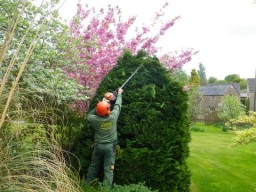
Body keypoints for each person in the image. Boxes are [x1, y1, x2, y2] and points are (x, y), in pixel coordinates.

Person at [86, 88, 123, 187]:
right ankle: (105, 189)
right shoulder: (113, 117)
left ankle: (87, 185)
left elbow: (89, 115)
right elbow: (118, 106)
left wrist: (100, 105)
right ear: (108, 110)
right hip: (110, 148)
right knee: (109, 170)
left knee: (93, 166)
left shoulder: (94, 119)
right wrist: (119, 94)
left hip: (98, 147)